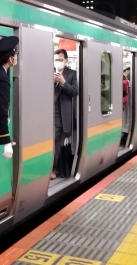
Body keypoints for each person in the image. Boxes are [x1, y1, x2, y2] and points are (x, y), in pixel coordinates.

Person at [53, 49, 78, 179]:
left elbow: (75, 91)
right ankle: (54, 169)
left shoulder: (72, 74)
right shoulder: (48, 71)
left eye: (60, 60)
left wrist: (63, 82)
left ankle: (59, 169)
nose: (58, 62)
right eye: (56, 59)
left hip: (65, 114)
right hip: (52, 112)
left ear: (66, 60)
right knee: (54, 140)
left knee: (60, 141)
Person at [0, 36, 19, 161]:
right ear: (10, 58)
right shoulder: (2, 77)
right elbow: (0, 108)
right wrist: (6, 141)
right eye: (15, 55)